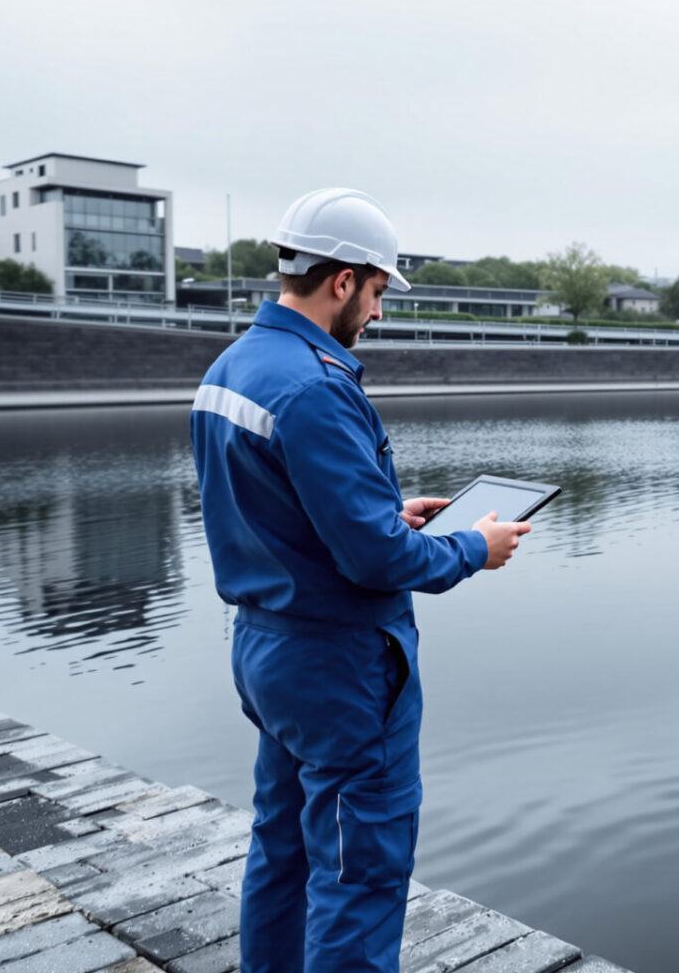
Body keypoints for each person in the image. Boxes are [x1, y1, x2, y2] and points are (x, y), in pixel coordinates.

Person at [189, 187, 532, 972]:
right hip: (339, 665)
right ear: (342, 279)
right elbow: (378, 563)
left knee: (283, 847)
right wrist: (474, 548)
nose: (378, 312)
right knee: (359, 867)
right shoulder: (316, 387)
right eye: (377, 291)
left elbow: (274, 507)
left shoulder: (230, 369)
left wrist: (386, 509)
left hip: (266, 649)